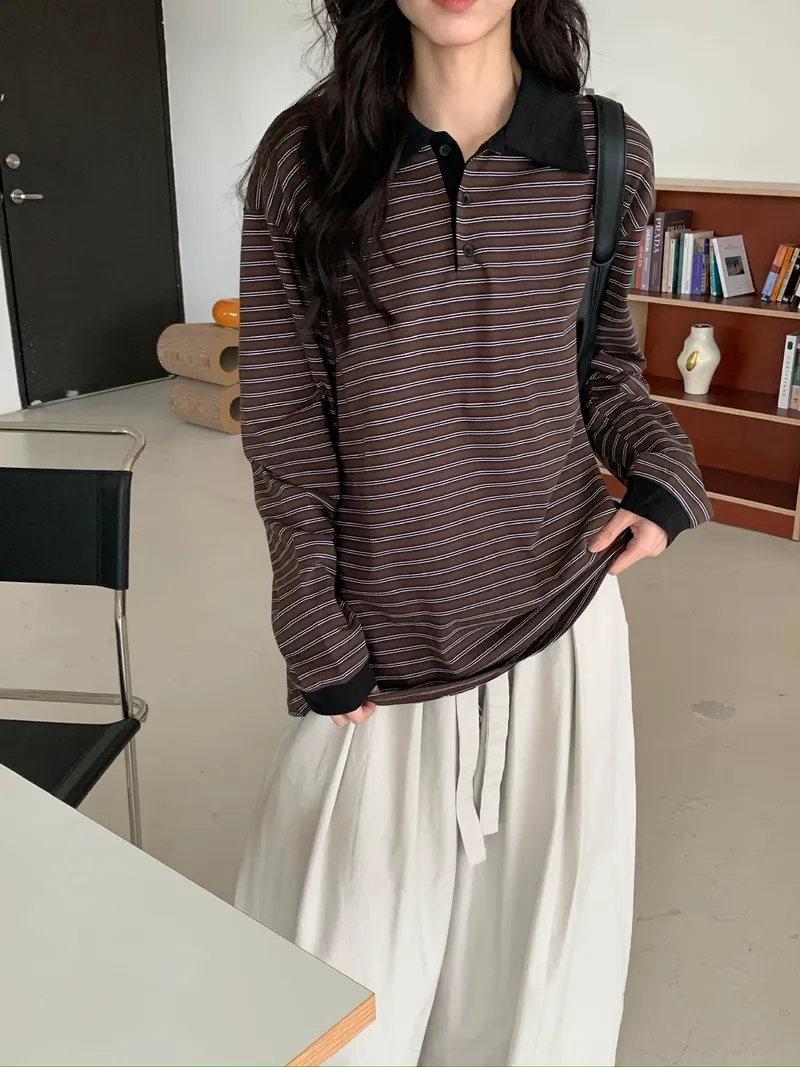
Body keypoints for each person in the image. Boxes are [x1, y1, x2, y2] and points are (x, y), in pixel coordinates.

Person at [235, 1, 711, 1063]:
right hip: (379, 642)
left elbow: (600, 366)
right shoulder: (305, 156)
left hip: (559, 621)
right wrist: (307, 612)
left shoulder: (606, 151)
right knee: (329, 999)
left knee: (531, 993)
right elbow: (285, 417)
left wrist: (663, 467)